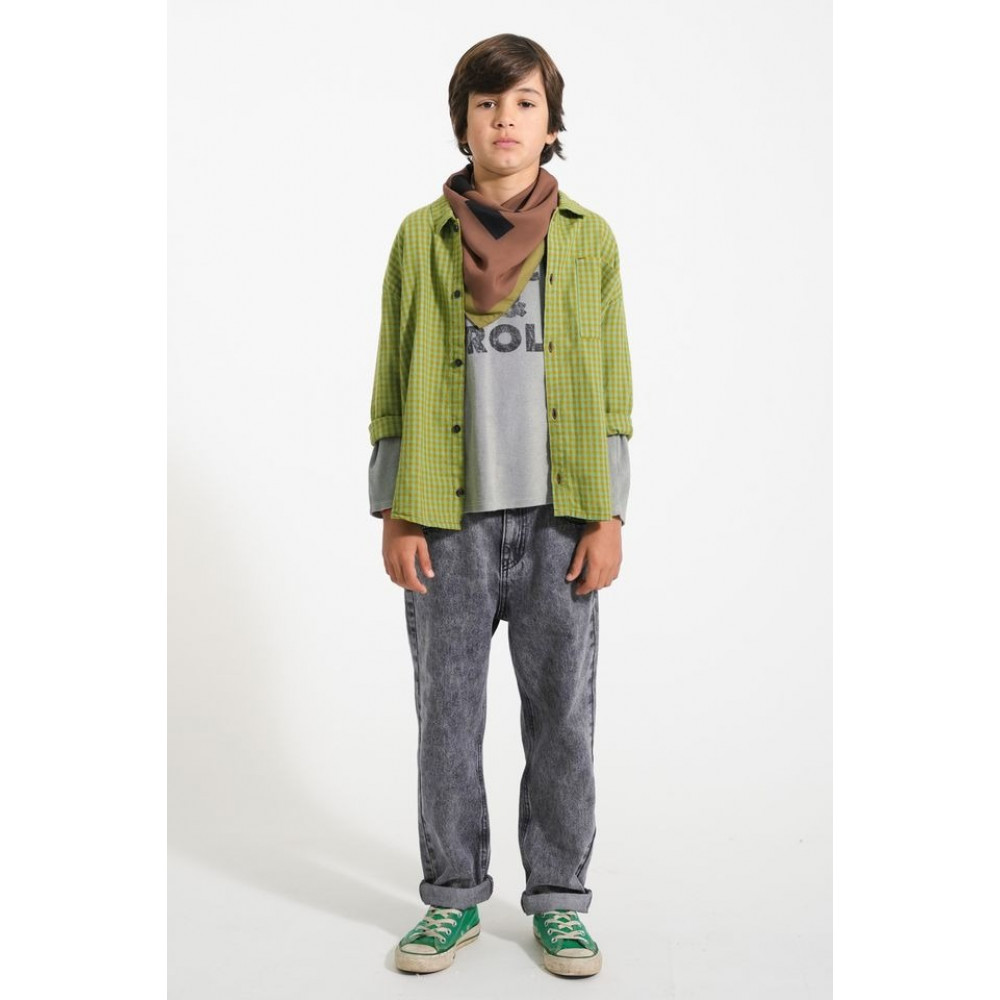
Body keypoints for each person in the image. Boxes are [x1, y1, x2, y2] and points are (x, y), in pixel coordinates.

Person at [367, 33, 634, 978]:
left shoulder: (589, 239)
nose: (504, 120)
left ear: (550, 124)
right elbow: (393, 378)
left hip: (563, 517)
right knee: (447, 718)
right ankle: (451, 898)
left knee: (563, 717)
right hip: (448, 520)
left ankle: (559, 901)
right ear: (463, 122)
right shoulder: (420, 237)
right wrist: (394, 508)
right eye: (486, 104)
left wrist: (609, 514)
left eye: (523, 103)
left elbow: (614, 385)